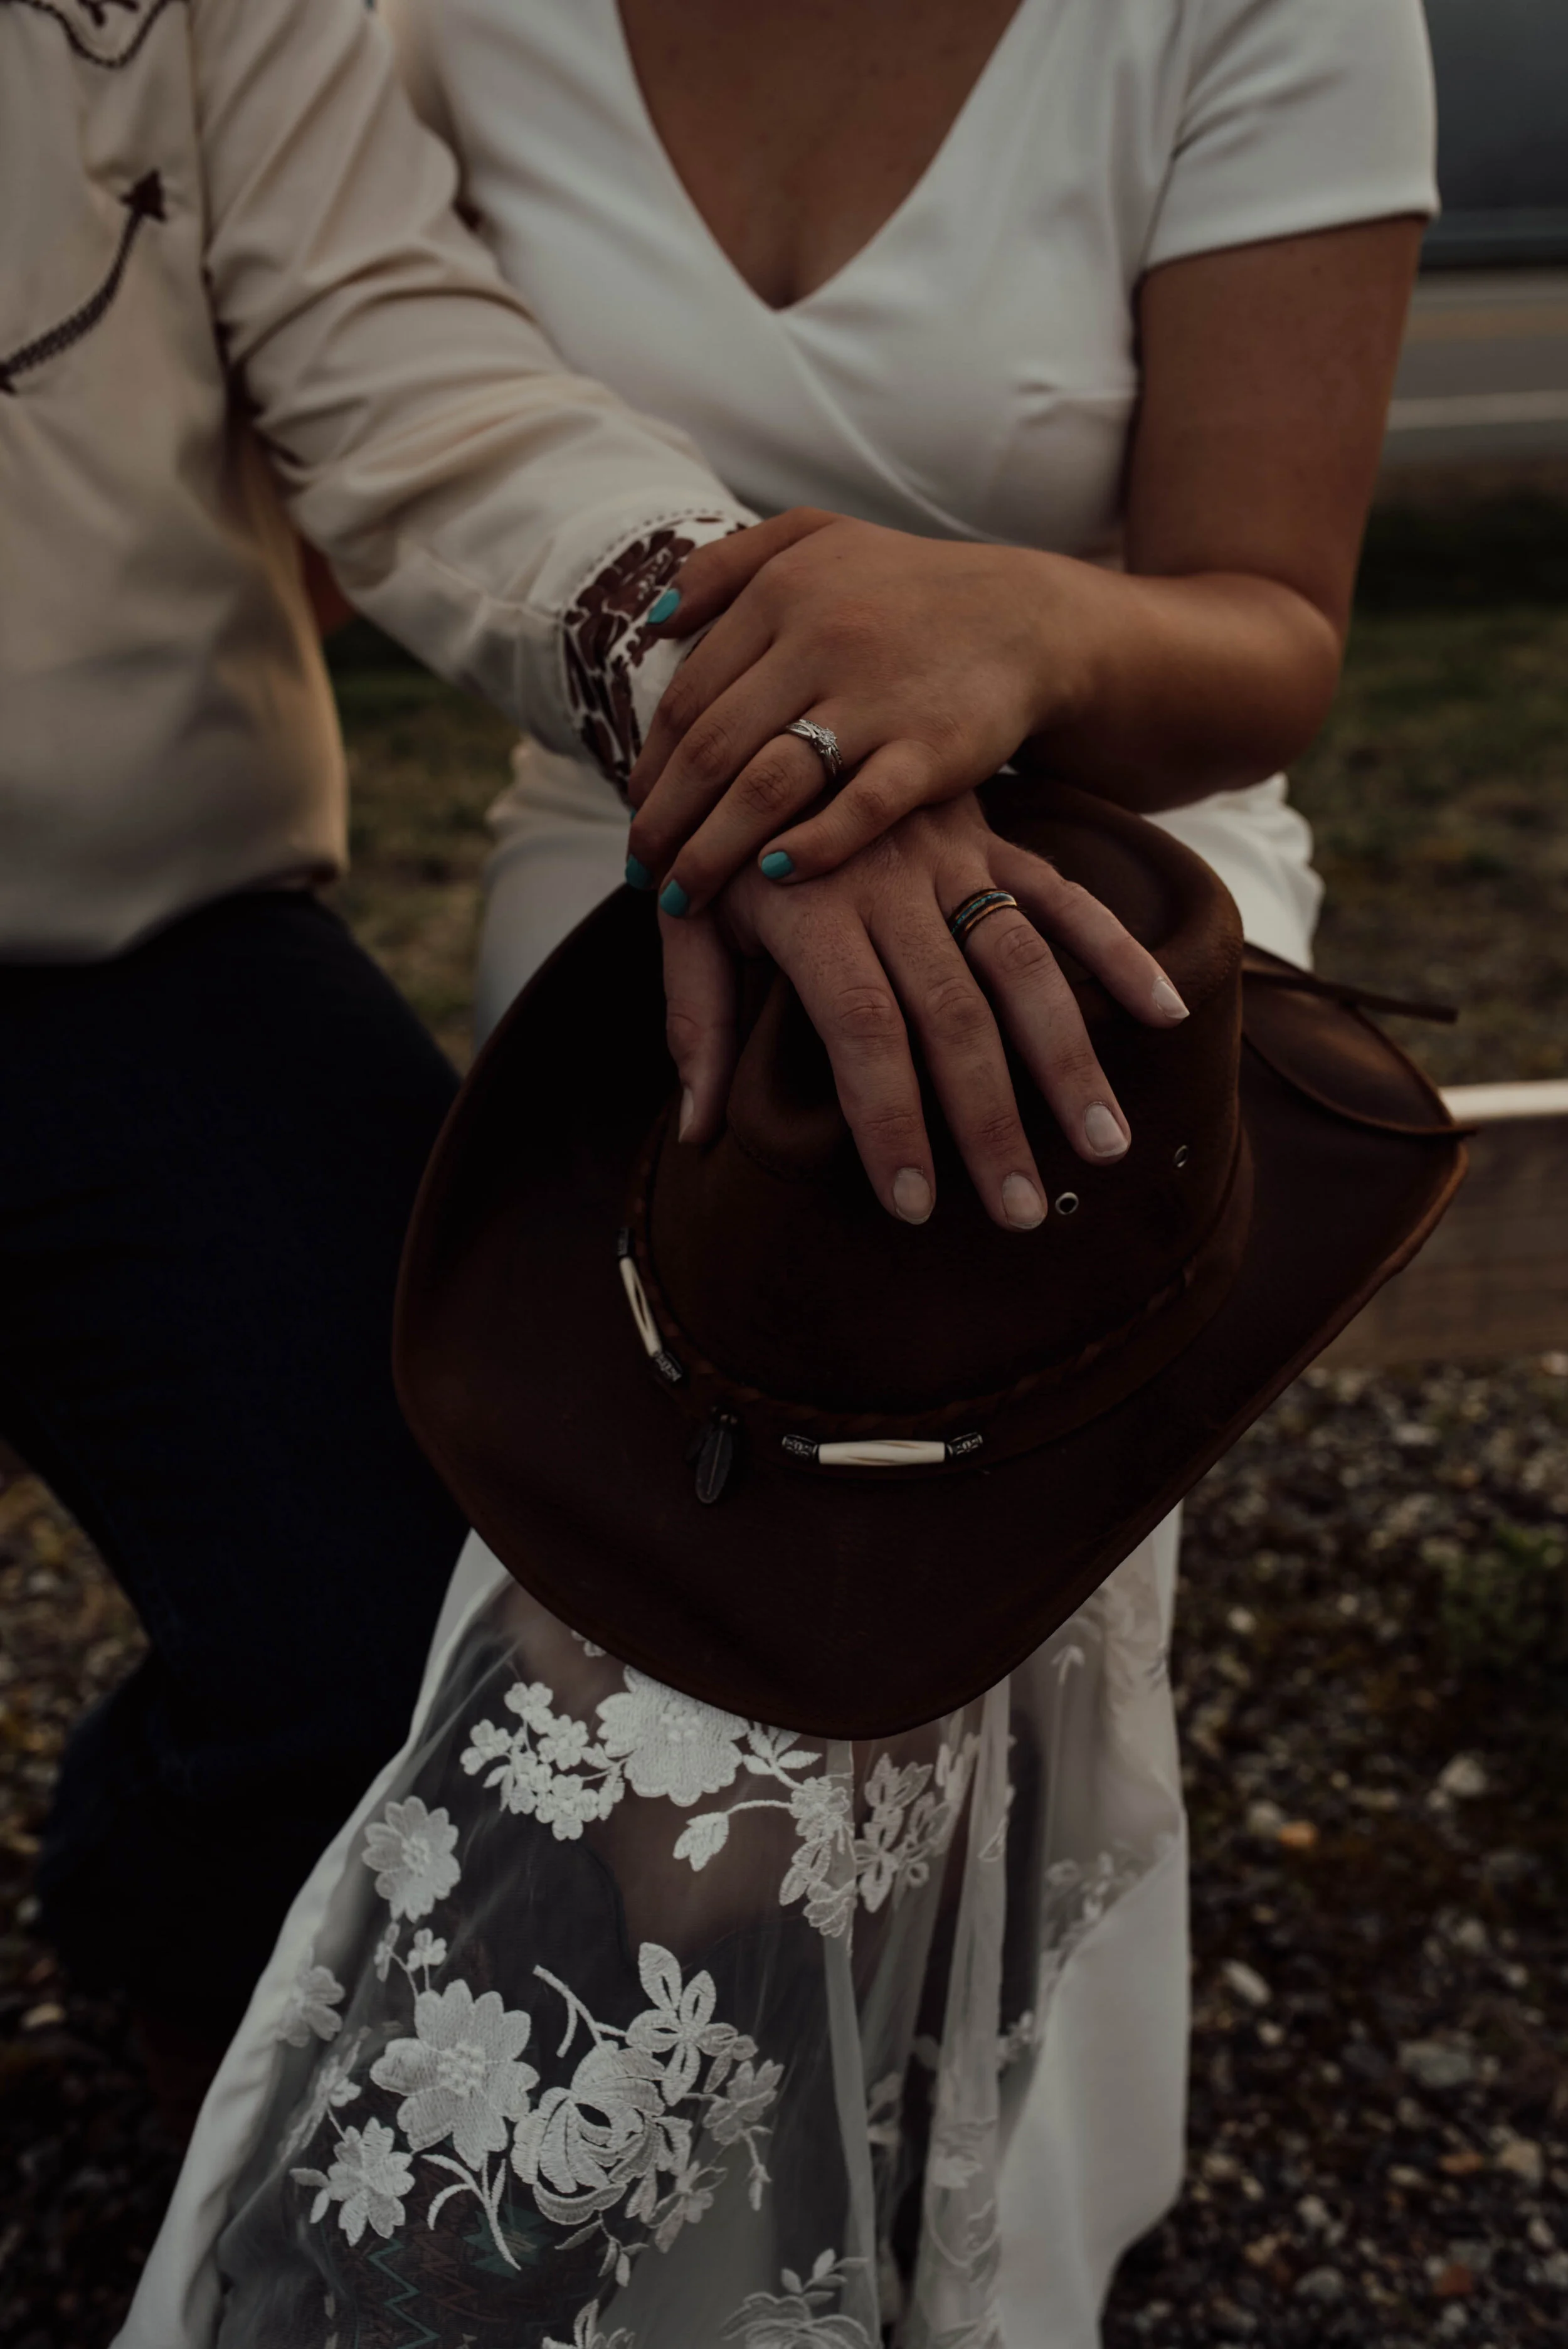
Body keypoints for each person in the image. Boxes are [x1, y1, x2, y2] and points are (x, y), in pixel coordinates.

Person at [108, 0, 1440, 2336]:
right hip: (639, 873)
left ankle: (838, 2209)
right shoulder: (424, 17)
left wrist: (1010, 625)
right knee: (651, 1641)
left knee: (886, 1475)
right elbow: (374, 455)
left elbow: (1271, 630)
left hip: (1109, 852)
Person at [2, 0, 1157, 2116]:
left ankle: (171, 1928)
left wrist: (735, 711)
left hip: (111, 934)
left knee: (468, 1601)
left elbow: (407, 376)